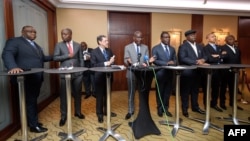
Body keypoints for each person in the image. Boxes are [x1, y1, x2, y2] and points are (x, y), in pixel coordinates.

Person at [2, 25, 53, 133]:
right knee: (29, 101)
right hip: (24, 78)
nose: (33, 34)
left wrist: (58, 56)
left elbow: (43, 58)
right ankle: (33, 126)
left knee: (32, 100)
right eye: (30, 32)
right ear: (23, 32)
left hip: (36, 77)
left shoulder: (36, 45)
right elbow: (7, 54)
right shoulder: (15, 41)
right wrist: (12, 67)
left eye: (34, 32)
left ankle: (32, 122)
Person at [53, 28, 84, 127]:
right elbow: (55, 57)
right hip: (64, 74)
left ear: (71, 34)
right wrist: (67, 56)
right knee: (64, 95)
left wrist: (82, 70)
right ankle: (63, 116)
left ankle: (78, 112)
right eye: (62, 34)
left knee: (77, 94)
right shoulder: (59, 45)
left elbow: (81, 58)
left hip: (77, 74)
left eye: (66, 34)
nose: (63, 36)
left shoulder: (78, 45)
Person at [178, 29, 208, 117]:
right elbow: (183, 58)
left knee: (195, 91)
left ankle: (195, 107)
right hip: (187, 73)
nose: (194, 36)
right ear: (187, 37)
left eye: (194, 35)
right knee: (185, 92)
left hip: (198, 73)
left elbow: (205, 55)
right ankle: (185, 109)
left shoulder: (200, 46)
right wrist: (196, 62)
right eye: (191, 35)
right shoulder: (183, 46)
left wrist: (203, 59)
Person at [123, 31, 150, 120]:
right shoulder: (127, 47)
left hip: (142, 74)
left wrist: (147, 63)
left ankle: (142, 110)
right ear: (133, 37)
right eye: (138, 37)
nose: (139, 39)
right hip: (131, 73)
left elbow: (147, 59)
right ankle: (130, 110)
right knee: (131, 93)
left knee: (142, 93)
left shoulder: (145, 47)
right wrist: (128, 61)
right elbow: (125, 59)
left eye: (141, 37)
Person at [90, 35, 116, 123]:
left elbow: (112, 63)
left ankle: (107, 111)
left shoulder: (109, 50)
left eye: (107, 40)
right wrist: (106, 63)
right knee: (100, 97)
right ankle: (100, 114)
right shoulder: (94, 52)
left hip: (109, 77)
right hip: (99, 77)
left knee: (108, 96)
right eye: (105, 41)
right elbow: (93, 65)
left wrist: (112, 62)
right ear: (100, 42)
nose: (107, 42)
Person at [152, 31, 177, 117]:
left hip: (170, 74)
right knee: (160, 92)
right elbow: (155, 60)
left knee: (167, 93)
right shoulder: (155, 48)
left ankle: (166, 109)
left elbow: (175, 60)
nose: (167, 39)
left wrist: (173, 62)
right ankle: (159, 108)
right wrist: (166, 63)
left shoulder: (172, 49)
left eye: (168, 37)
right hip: (160, 74)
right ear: (161, 38)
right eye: (165, 37)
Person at [203, 32, 226, 112]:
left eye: (215, 37)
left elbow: (225, 56)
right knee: (207, 88)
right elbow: (209, 59)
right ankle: (206, 104)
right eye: (212, 37)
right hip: (210, 71)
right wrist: (219, 56)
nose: (214, 38)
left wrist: (217, 56)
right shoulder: (205, 48)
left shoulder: (219, 47)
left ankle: (214, 104)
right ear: (208, 38)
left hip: (219, 71)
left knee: (216, 88)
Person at [220, 35, 243, 110]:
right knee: (223, 88)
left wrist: (239, 68)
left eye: (232, 39)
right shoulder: (222, 48)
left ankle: (232, 103)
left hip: (235, 71)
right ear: (226, 40)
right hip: (225, 71)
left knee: (233, 88)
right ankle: (222, 103)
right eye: (229, 39)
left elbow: (239, 59)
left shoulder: (237, 48)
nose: (231, 40)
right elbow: (221, 59)